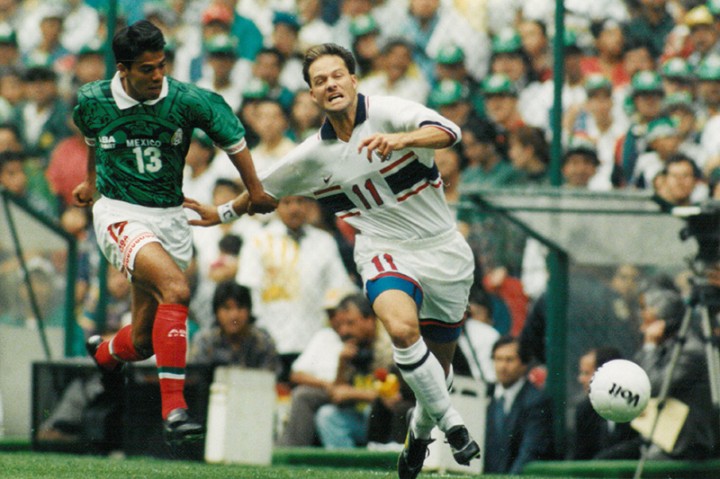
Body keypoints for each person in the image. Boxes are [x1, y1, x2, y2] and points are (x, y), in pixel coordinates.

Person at [185, 42, 482, 477]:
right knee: (401, 329)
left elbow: (448, 132)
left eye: (336, 75)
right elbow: (263, 191)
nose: (330, 84)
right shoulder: (311, 157)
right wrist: (222, 212)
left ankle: (419, 434)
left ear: (353, 79)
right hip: (383, 251)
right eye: (319, 81)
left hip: (443, 251)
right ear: (312, 95)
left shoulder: (389, 111)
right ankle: (454, 427)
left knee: (437, 371)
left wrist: (402, 139)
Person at [71, 20, 274, 447]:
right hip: (118, 213)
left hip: (169, 216)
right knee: (176, 288)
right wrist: (92, 183)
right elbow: (93, 138)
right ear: (123, 68)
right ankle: (175, 410)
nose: (158, 75)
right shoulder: (92, 99)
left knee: (143, 341)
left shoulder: (187, 100)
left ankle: (105, 354)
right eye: (147, 69)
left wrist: (253, 191)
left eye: (162, 65)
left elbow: (234, 140)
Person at [314, 293, 395, 449]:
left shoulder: (390, 345)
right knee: (327, 415)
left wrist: (353, 393)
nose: (344, 331)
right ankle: (348, 468)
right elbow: (337, 395)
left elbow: (393, 399)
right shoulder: (351, 347)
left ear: (369, 320)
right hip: (362, 418)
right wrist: (342, 364)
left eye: (350, 323)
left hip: (390, 423)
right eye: (340, 325)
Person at [484, 335, 554, 474]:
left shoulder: (537, 401)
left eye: (509, 360)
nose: (503, 366)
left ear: (524, 363)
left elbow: (530, 451)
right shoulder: (486, 396)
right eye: (498, 359)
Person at [188, 280, 280, 375]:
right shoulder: (205, 341)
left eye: (240, 308)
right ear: (216, 311)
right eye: (227, 308)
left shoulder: (262, 341)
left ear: (249, 310)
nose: (234, 316)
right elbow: (196, 379)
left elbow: (271, 379)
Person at [573, 346, 639, 459]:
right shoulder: (585, 410)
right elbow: (579, 454)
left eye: (586, 373)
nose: (581, 379)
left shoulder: (635, 404)